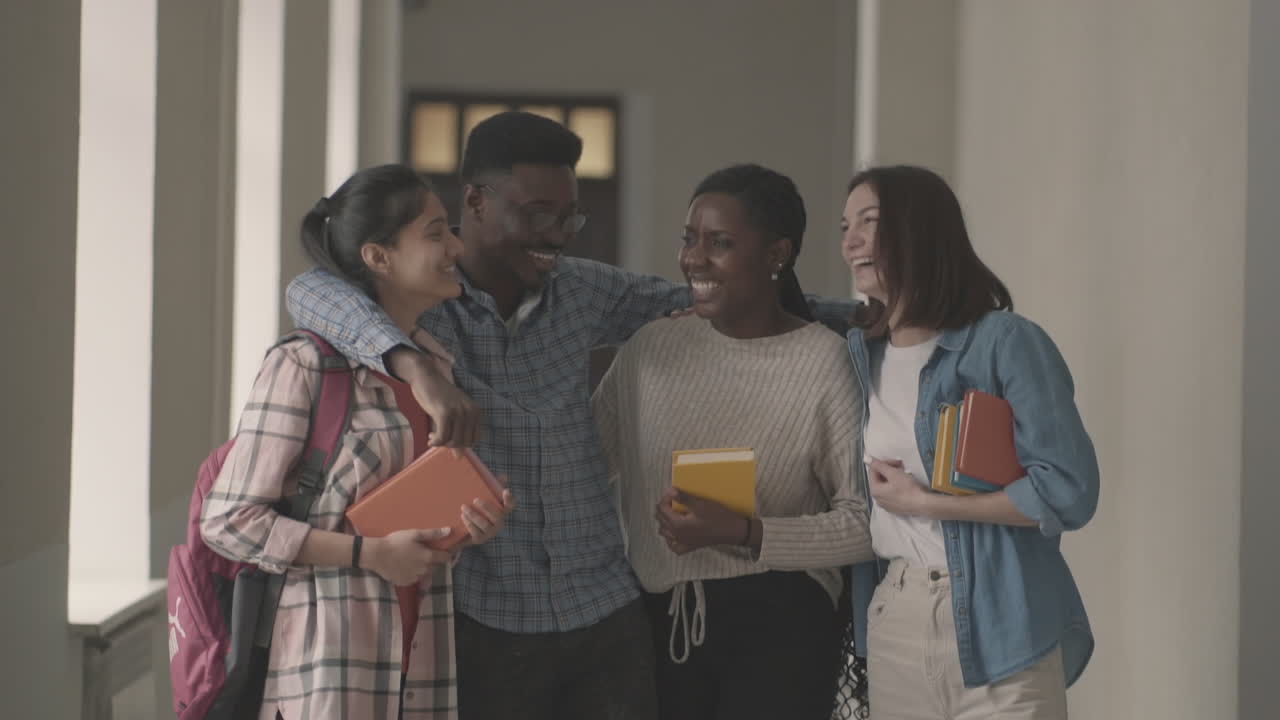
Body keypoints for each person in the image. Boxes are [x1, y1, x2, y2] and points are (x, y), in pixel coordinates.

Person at [285, 112, 857, 719]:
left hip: (606, 615)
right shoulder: (421, 304)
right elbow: (310, 292)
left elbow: (714, 298)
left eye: (568, 216)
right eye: (538, 214)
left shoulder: (584, 290)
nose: (558, 234)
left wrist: (857, 316)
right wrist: (414, 365)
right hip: (482, 615)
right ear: (475, 201)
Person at [201, 164, 515, 720]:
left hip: (421, 663)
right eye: (435, 231)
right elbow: (229, 521)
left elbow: (408, 530)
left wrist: (465, 529)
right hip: (328, 672)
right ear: (378, 257)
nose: (455, 247)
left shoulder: (437, 368)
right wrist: (371, 555)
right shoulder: (303, 365)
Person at [590, 164, 874, 720]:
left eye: (719, 243)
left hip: (782, 626)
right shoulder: (650, 349)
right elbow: (578, 469)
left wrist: (745, 532)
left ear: (777, 255)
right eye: (689, 239)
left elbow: (865, 523)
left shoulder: (823, 362)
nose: (694, 259)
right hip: (657, 626)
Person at [840, 165, 1098, 720]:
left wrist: (924, 503)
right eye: (846, 226)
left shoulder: (1005, 343)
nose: (851, 240)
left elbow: (1067, 490)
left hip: (999, 615)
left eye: (870, 222)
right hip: (897, 615)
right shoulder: (861, 355)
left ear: (919, 231)